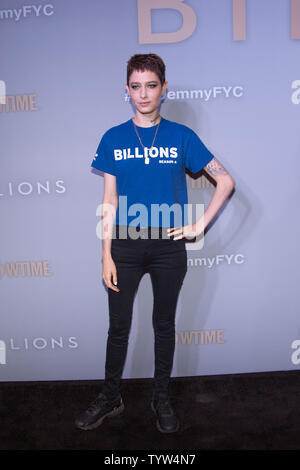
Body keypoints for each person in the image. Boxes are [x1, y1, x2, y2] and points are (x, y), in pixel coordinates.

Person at [75, 53, 235, 433]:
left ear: (164, 89)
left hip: (167, 246)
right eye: (135, 86)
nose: (143, 94)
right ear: (127, 90)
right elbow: (109, 200)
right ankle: (110, 396)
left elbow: (225, 181)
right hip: (124, 246)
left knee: (164, 325)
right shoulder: (113, 137)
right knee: (119, 327)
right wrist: (105, 254)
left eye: (150, 86)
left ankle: (160, 396)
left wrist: (199, 224)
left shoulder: (182, 136)